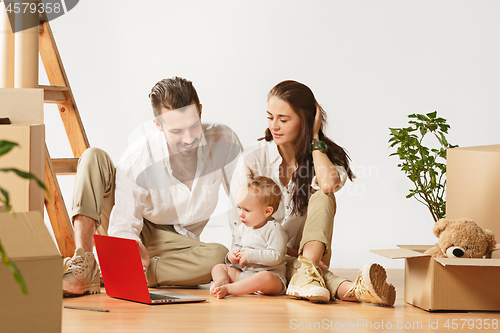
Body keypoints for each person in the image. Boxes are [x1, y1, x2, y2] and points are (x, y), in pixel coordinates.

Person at [62, 77, 242, 296]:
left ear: (200, 111)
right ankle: (85, 261)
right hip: (135, 226)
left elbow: (243, 199)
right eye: (176, 131)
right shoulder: (139, 157)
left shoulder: (224, 140)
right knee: (93, 157)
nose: (188, 139)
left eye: (193, 126)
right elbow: (124, 223)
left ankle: (113, 273)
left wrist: (248, 250)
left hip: (179, 242)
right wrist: (131, 246)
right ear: (158, 124)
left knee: (219, 257)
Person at [229, 80, 396, 305]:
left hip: (310, 250)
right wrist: (283, 251)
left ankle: (307, 268)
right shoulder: (252, 159)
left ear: (305, 120)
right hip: (263, 253)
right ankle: (352, 289)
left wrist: (315, 140)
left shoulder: (326, 157)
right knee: (300, 268)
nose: (274, 126)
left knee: (324, 196)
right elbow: (241, 220)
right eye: (270, 117)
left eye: (283, 119)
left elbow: (327, 185)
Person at [210, 172, 287, 299]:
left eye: (247, 210)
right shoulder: (243, 228)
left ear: (267, 211)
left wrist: (249, 255)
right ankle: (221, 282)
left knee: (264, 277)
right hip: (246, 275)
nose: (240, 214)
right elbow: (237, 245)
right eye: (239, 207)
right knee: (218, 268)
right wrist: (232, 256)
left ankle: (229, 289)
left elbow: (276, 256)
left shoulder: (274, 229)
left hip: (270, 278)